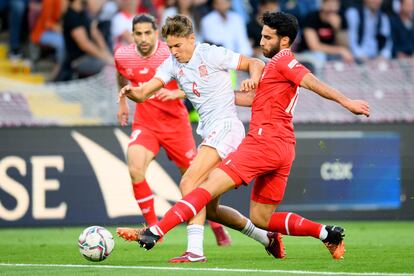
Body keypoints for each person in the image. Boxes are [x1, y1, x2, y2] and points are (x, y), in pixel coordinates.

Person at [117, 11, 371, 260]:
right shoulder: (275, 69)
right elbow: (246, 97)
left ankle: (163, 235)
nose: (261, 42)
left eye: (267, 37)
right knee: (259, 218)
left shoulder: (282, 61)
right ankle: (321, 233)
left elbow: (309, 80)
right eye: (261, 36)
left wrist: (347, 102)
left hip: (258, 141)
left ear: (284, 41)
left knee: (192, 184)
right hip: (283, 146)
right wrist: (132, 92)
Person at [117, 14, 284, 263]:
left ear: (191, 39)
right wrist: (131, 92)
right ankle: (266, 237)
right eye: (170, 46)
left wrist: (253, 79)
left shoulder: (210, 53)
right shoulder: (171, 64)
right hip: (210, 132)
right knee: (211, 209)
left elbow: (254, 63)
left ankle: (194, 251)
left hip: (227, 128)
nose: (173, 51)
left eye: (178, 45)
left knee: (189, 182)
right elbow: (144, 93)